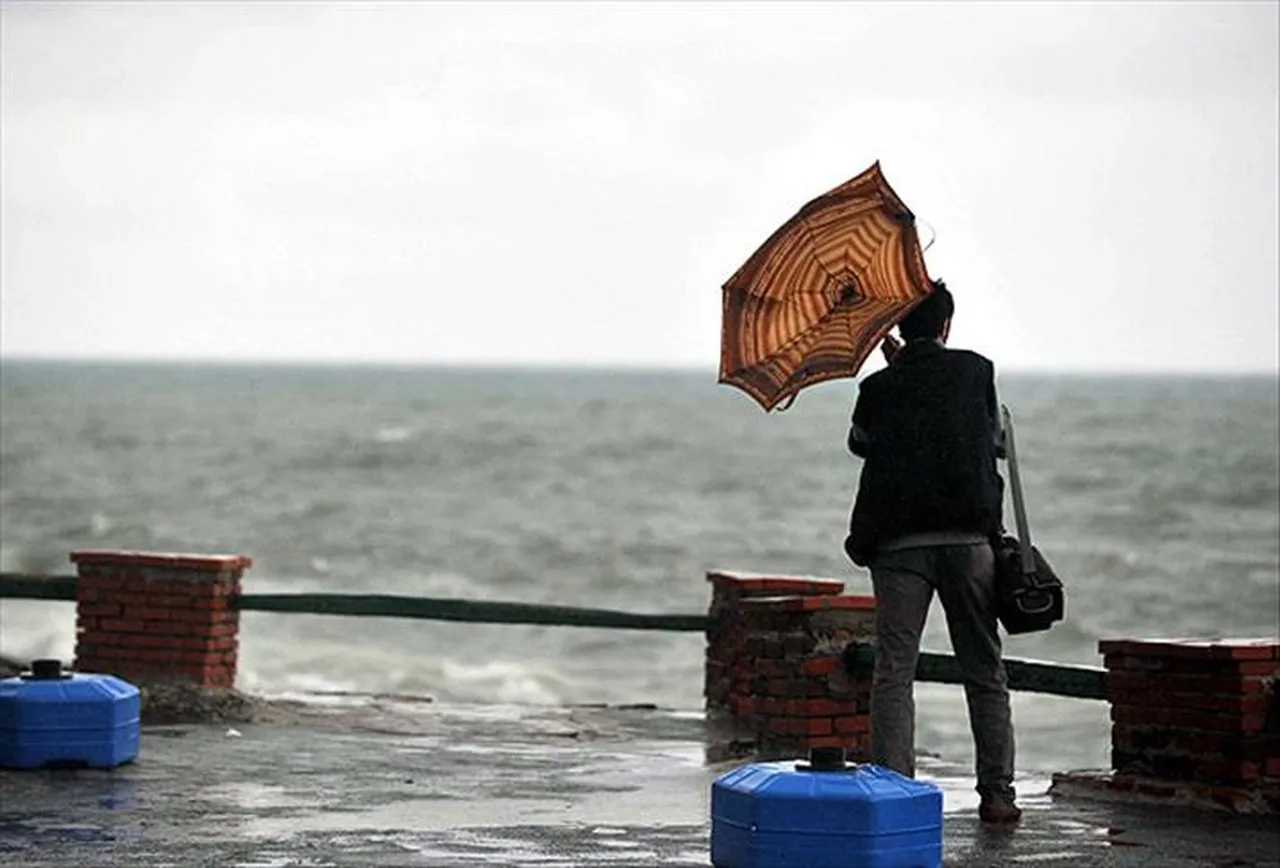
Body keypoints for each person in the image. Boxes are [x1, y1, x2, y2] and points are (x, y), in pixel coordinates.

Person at [843, 280, 1021, 824]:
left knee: (894, 670)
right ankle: (997, 795)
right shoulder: (977, 372)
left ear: (898, 327)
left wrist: (896, 375)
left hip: (898, 547)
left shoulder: (878, 388)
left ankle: (896, 793)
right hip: (969, 543)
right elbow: (993, 442)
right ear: (946, 326)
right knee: (984, 669)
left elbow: (860, 444)